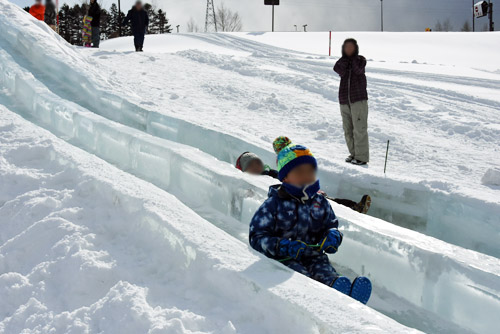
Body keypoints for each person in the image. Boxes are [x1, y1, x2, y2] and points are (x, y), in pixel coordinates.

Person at [249, 136, 372, 304]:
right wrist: (283, 246)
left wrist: (332, 237)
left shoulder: (320, 202)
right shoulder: (274, 204)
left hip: (315, 256)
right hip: (285, 259)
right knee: (302, 278)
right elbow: (257, 237)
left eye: (310, 171)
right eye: (300, 172)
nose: (307, 176)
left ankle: (342, 295)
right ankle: (322, 301)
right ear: (285, 177)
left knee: (327, 274)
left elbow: (331, 225)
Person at [236, 149, 371, 214]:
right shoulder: (251, 184)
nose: (256, 167)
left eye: (257, 163)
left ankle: (354, 207)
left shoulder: (271, 173)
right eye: (251, 166)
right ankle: (353, 210)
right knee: (326, 203)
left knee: (329, 200)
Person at [334, 38, 369, 166]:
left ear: (356, 48)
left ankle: (361, 157)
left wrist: (352, 58)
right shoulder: (341, 62)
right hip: (344, 100)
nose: (348, 49)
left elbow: (358, 70)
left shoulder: (360, 60)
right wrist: (345, 59)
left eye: (351, 47)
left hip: (358, 99)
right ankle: (354, 154)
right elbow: (338, 69)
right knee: (348, 129)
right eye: (346, 47)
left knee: (359, 128)